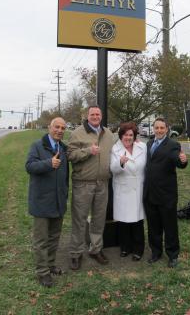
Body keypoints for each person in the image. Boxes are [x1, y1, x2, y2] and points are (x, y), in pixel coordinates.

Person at [67, 105, 114, 270]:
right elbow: (70, 155)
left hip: (102, 183)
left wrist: (134, 139)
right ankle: (76, 253)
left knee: (98, 219)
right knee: (79, 219)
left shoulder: (108, 134)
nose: (95, 116)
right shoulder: (77, 133)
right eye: (92, 114)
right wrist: (88, 151)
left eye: (98, 114)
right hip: (83, 183)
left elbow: (121, 144)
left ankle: (95, 249)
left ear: (101, 116)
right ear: (88, 116)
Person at [25, 117, 69, 287]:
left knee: (54, 237)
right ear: (49, 128)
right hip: (42, 201)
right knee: (41, 239)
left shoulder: (62, 148)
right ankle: (42, 272)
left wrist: (64, 193)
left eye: (63, 128)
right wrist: (48, 163)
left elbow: (64, 176)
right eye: (56, 127)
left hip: (58, 201)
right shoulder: (37, 145)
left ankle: (50, 265)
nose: (60, 130)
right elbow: (29, 166)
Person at [143, 117, 188, 268]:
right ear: (153, 129)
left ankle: (173, 254)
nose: (159, 130)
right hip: (150, 193)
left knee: (170, 227)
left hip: (166, 194)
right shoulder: (149, 143)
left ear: (167, 129)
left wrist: (183, 160)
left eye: (162, 128)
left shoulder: (173, 145)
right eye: (157, 128)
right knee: (153, 226)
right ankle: (156, 252)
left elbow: (178, 161)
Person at [110, 122, 147, 261]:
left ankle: (138, 249)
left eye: (131, 135)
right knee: (124, 221)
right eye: (125, 135)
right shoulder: (115, 149)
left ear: (135, 136)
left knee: (137, 221)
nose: (128, 137)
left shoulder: (142, 147)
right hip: (123, 188)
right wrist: (120, 163)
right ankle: (125, 247)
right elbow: (112, 168)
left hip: (138, 188)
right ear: (121, 135)